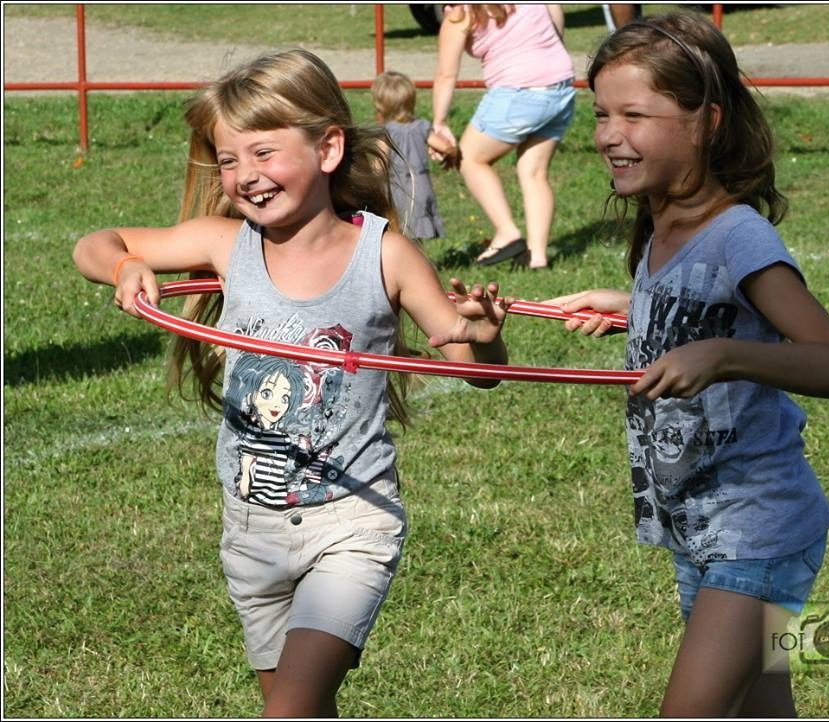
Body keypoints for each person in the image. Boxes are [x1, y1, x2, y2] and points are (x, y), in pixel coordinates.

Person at [72, 48, 514, 718]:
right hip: (251, 530)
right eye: (229, 159)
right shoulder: (225, 244)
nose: (244, 176)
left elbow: (473, 369)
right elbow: (94, 243)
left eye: (264, 153)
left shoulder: (386, 255)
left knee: (290, 710)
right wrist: (124, 266)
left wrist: (483, 337)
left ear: (328, 148)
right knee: (298, 706)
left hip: (350, 524)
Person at [547, 13, 829, 717]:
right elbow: (706, 310)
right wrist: (632, 307)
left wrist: (720, 356)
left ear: (706, 123)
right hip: (698, 529)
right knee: (760, 707)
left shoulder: (739, 236)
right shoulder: (662, 222)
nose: (608, 135)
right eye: (601, 114)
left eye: (635, 115)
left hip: (757, 531)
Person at [431, 4, 576, 269]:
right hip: (561, 88)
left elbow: (446, 74)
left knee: (470, 158)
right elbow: (554, 11)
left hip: (517, 92)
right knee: (534, 172)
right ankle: (537, 257)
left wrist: (439, 123)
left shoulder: (460, 13)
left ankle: (507, 232)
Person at [371, 69, 457, 241]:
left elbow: (380, 165)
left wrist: (368, 180)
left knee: (400, 235)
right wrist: (453, 154)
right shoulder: (421, 126)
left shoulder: (386, 132)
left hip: (398, 189)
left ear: (380, 104)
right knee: (417, 236)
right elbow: (446, 147)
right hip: (421, 186)